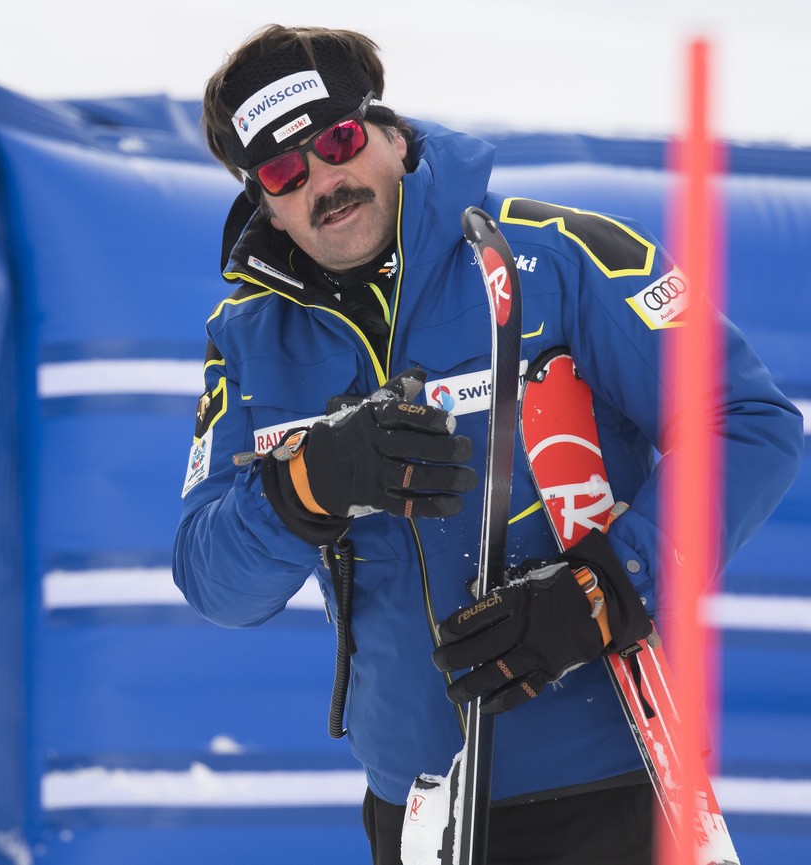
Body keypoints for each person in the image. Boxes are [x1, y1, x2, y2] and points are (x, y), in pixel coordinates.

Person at [173, 25, 802, 864]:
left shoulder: (557, 255)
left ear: (390, 135)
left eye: (339, 140)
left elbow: (748, 421)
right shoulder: (246, 342)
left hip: (612, 780)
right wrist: (308, 482)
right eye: (287, 171)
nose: (326, 179)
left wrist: (607, 589)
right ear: (266, 203)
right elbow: (214, 583)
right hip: (419, 809)